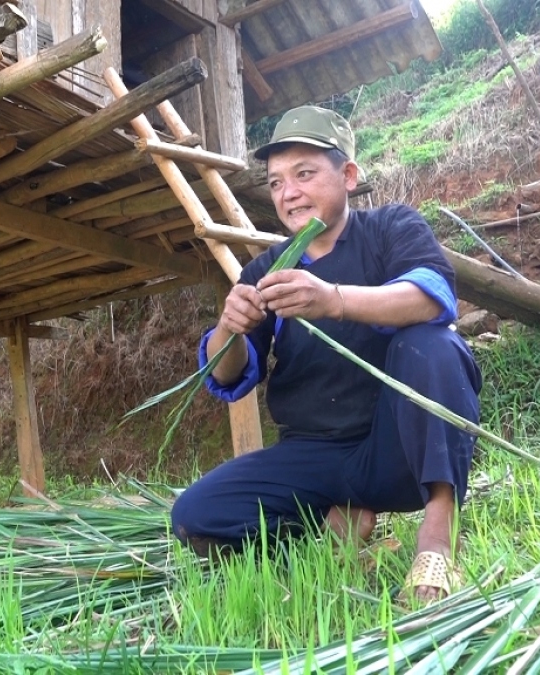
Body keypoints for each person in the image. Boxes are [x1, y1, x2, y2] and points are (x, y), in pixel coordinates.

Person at [169, 106, 482, 603]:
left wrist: (333, 298)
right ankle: (336, 518)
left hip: (397, 447)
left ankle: (438, 535)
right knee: (195, 516)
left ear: (349, 176)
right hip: (314, 453)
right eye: (275, 183)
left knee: (432, 343)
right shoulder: (268, 269)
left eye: (304, 174)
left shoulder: (391, 228)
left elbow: (433, 296)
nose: (288, 192)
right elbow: (230, 376)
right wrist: (228, 329)